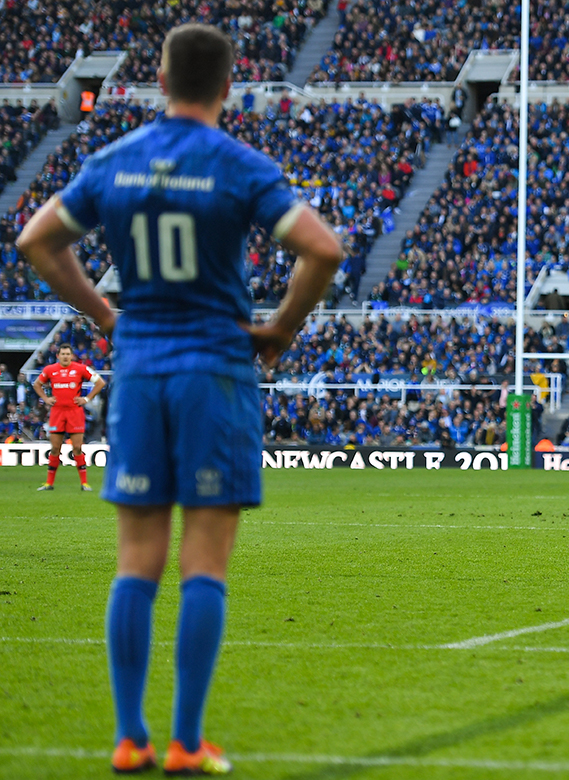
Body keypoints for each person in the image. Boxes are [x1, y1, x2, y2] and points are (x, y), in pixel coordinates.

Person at [16, 24, 342, 775]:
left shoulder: (116, 160)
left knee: (136, 562)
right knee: (204, 565)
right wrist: (281, 329)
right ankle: (187, 743)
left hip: (139, 367)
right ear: (228, 87)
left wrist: (105, 316)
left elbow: (37, 239)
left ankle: (129, 738)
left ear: (160, 81)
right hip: (215, 372)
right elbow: (321, 248)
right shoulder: (239, 165)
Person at [33, 343, 106, 491]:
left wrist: (87, 399)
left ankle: (84, 483)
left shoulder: (80, 368)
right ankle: (49, 483)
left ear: (72, 356)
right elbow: (37, 384)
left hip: (75, 412)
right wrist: (46, 399)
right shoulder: (50, 370)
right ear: (58, 355)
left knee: (77, 447)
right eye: (63, 354)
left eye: (68, 354)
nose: (65, 356)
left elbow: (100, 382)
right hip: (57, 412)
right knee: (55, 448)